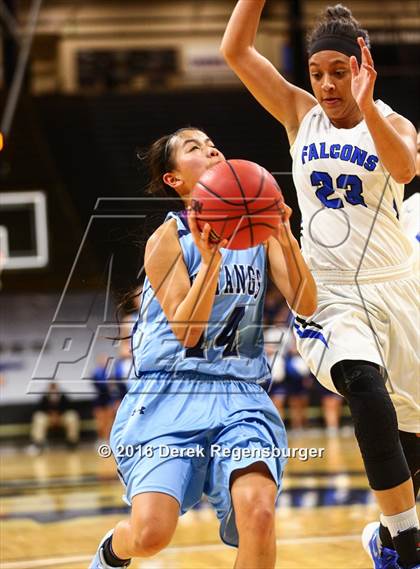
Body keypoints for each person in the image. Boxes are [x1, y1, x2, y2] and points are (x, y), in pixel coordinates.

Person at [221, 3, 419, 569]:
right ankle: (406, 548)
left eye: (339, 70)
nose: (327, 85)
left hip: (397, 290)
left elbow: (404, 169)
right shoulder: (298, 113)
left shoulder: (395, 122)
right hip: (327, 292)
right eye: (317, 73)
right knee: (364, 385)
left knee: (409, 435)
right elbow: (236, 52)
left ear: (360, 65)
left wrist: (369, 105)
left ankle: (386, 535)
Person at [89, 127, 317, 569]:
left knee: (260, 511)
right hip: (169, 395)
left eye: (214, 142)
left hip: (240, 395)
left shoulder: (259, 232)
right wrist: (211, 260)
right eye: (193, 148)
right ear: (174, 179)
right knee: (151, 535)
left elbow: (306, 303)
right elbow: (188, 332)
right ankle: (113, 549)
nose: (211, 148)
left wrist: (285, 233)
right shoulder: (167, 239)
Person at [29, 381, 80, 453]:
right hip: (48, 419)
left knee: (72, 416)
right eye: (51, 387)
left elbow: (68, 407)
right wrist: (51, 415)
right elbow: (40, 408)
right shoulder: (44, 397)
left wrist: (58, 415)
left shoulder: (63, 396)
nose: (53, 388)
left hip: (62, 418)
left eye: (54, 386)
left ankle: (72, 442)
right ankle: (38, 444)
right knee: (39, 418)